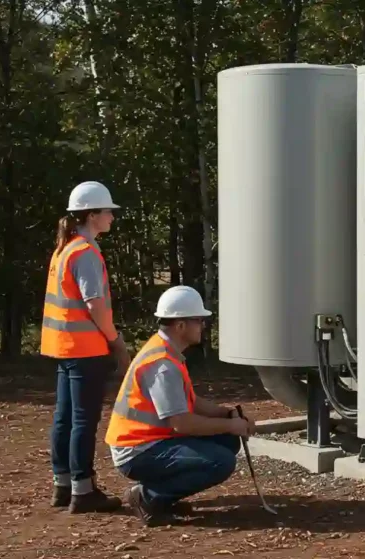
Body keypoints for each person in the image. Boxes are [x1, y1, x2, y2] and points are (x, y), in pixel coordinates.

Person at [105, 285, 256, 526]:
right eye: (198, 320)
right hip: (137, 452)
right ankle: (149, 497)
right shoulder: (163, 364)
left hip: (147, 443)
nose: (203, 325)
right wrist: (230, 425)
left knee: (227, 442)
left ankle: (163, 495)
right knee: (221, 461)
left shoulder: (167, 352)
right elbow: (182, 424)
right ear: (181, 325)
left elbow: (191, 403)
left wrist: (227, 415)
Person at [41, 180, 130, 513]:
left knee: (64, 419)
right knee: (83, 421)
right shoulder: (86, 253)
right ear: (92, 215)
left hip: (63, 347)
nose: (112, 217)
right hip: (85, 349)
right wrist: (115, 340)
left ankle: (63, 486)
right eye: (108, 211)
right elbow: (95, 305)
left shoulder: (65, 248)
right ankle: (83, 490)